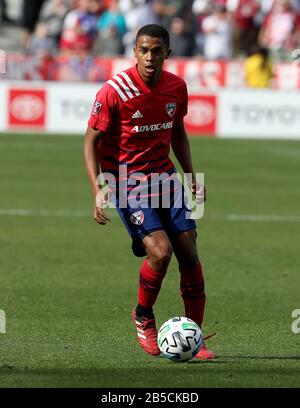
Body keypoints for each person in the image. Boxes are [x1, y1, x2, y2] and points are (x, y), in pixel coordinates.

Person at [83, 24, 216, 360]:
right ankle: (143, 315)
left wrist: (190, 176)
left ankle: (193, 338)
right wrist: (98, 186)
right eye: (144, 50)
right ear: (134, 52)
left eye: (157, 50)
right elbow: (90, 142)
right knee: (161, 252)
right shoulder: (115, 91)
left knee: (189, 249)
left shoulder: (176, 87)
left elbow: (178, 132)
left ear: (168, 54)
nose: (150, 57)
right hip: (126, 180)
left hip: (165, 178)